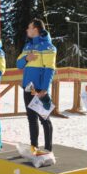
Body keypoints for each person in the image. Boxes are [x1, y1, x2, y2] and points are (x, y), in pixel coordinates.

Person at [16, 18, 56, 154]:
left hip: (40, 89)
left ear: (36, 29)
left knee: (44, 118)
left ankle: (48, 149)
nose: (27, 30)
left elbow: (49, 69)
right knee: (31, 118)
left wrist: (44, 89)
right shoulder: (27, 46)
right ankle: (34, 147)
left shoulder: (48, 46)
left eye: (29, 27)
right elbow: (18, 64)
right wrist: (26, 58)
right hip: (28, 88)